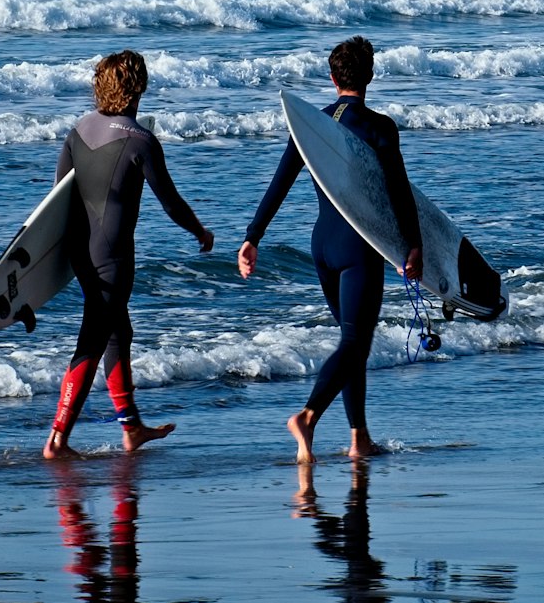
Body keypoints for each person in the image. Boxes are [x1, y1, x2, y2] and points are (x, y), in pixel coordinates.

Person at [237, 35, 423, 464]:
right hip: (359, 246)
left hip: (322, 244)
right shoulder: (379, 127)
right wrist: (413, 245)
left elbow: (281, 181)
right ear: (370, 76)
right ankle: (307, 416)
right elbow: (398, 192)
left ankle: (359, 438)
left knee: (351, 343)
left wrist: (252, 237)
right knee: (355, 342)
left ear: (332, 78)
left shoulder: (313, 124)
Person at [43, 50, 214, 460]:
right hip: (113, 258)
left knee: (118, 333)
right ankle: (57, 439)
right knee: (93, 340)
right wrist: (199, 230)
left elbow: (57, 199)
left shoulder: (78, 130)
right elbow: (170, 202)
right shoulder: (141, 141)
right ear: (139, 87)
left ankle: (132, 428)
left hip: (81, 254)